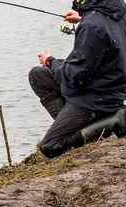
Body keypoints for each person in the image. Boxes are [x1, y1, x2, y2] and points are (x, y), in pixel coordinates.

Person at [28, 0, 126, 158]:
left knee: (50, 146)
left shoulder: (92, 26)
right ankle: (79, 124)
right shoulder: (117, 9)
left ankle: (112, 122)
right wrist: (83, 16)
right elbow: (105, 28)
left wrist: (50, 61)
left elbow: (75, 75)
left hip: (95, 98)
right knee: (38, 76)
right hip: (111, 88)